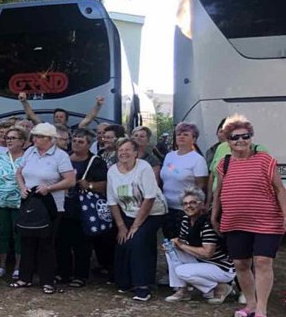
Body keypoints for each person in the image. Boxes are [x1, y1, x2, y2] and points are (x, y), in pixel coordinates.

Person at [212, 116, 286, 317]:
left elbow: (280, 189)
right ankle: (251, 304)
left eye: (246, 136)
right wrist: (215, 214)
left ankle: (262, 310)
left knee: (263, 262)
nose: (241, 141)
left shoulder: (265, 160)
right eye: (235, 137)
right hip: (235, 221)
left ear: (251, 138)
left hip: (267, 220)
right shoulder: (223, 163)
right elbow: (219, 192)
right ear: (228, 141)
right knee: (241, 264)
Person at [11, 123, 74, 294]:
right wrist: (22, 187)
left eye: (39, 136)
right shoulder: (30, 152)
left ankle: (48, 280)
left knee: (47, 242)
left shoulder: (60, 156)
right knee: (27, 239)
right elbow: (19, 172)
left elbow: (70, 180)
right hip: (30, 201)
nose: (35, 139)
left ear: (49, 139)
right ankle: (25, 277)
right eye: (34, 136)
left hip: (51, 203)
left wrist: (49, 188)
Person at [107, 138, 166, 301]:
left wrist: (135, 226)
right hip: (128, 213)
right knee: (122, 241)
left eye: (127, 150)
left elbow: (149, 197)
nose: (123, 153)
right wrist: (121, 226)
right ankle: (125, 282)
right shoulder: (112, 170)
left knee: (137, 241)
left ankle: (142, 286)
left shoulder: (144, 168)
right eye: (120, 150)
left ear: (135, 153)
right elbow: (111, 200)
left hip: (153, 213)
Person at [164, 187, 235, 304]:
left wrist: (181, 245)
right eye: (185, 204)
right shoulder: (186, 220)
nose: (188, 206)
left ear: (202, 204)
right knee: (171, 250)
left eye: (193, 202)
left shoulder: (207, 223)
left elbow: (207, 253)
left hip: (221, 267)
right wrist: (174, 244)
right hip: (203, 262)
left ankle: (220, 287)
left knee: (181, 271)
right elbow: (182, 242)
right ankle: (182, 290)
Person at [60, 128, 108, 287]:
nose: (76, 144)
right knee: (62, 242)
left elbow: (106, 184)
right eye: (74, 140)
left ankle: (81, 275)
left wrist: (90, 185)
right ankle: (63, 273)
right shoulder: (64, 158)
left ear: (89, 144)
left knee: (82, 244)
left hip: (84, 208)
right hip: (63, 206)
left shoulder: (96, 162)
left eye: (81, 142)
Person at [0, 126, 27, 279]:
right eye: (8, 138)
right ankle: (2, 265)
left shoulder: (27, 158)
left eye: (13, 138)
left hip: (20, 202)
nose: (9, 140)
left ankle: (18, 266)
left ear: (22, 141)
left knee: (19, 234)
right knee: (2, 233)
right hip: (1, 202)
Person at [159, 122, 208, 240]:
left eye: (185, 134)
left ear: (194, 139)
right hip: (166, 207)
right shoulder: (169, 156)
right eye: (178, 134)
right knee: (169, 242)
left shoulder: (198, 159)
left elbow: (201, 185)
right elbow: (172, 174)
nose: (181, 137)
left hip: (186, 209)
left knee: (184, 243)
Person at [19, 93, 104, 128]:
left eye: (61, 117)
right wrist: (24, 101)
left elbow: (89, 118)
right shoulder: (47, 128)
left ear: (66, 120)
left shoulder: (73, 130)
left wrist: (98, 105)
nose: (58, 118)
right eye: (56, 117)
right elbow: (31, 116)